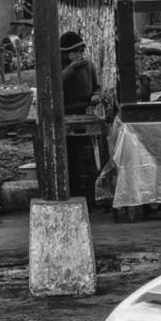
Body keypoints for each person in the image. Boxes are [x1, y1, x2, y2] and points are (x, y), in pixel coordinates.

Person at [59, 30, 102, 208]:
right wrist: (71, 68)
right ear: (65, 54)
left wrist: (96, 96)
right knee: (69, 158)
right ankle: (71, 195)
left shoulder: (88, 66)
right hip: (65, 117)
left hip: (84, 114)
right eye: (73, 53)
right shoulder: (61, 68)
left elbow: (96, 87)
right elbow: (56, 82)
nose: (78, 56)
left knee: (86, 158)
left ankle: (90, 198)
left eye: (80, 52)